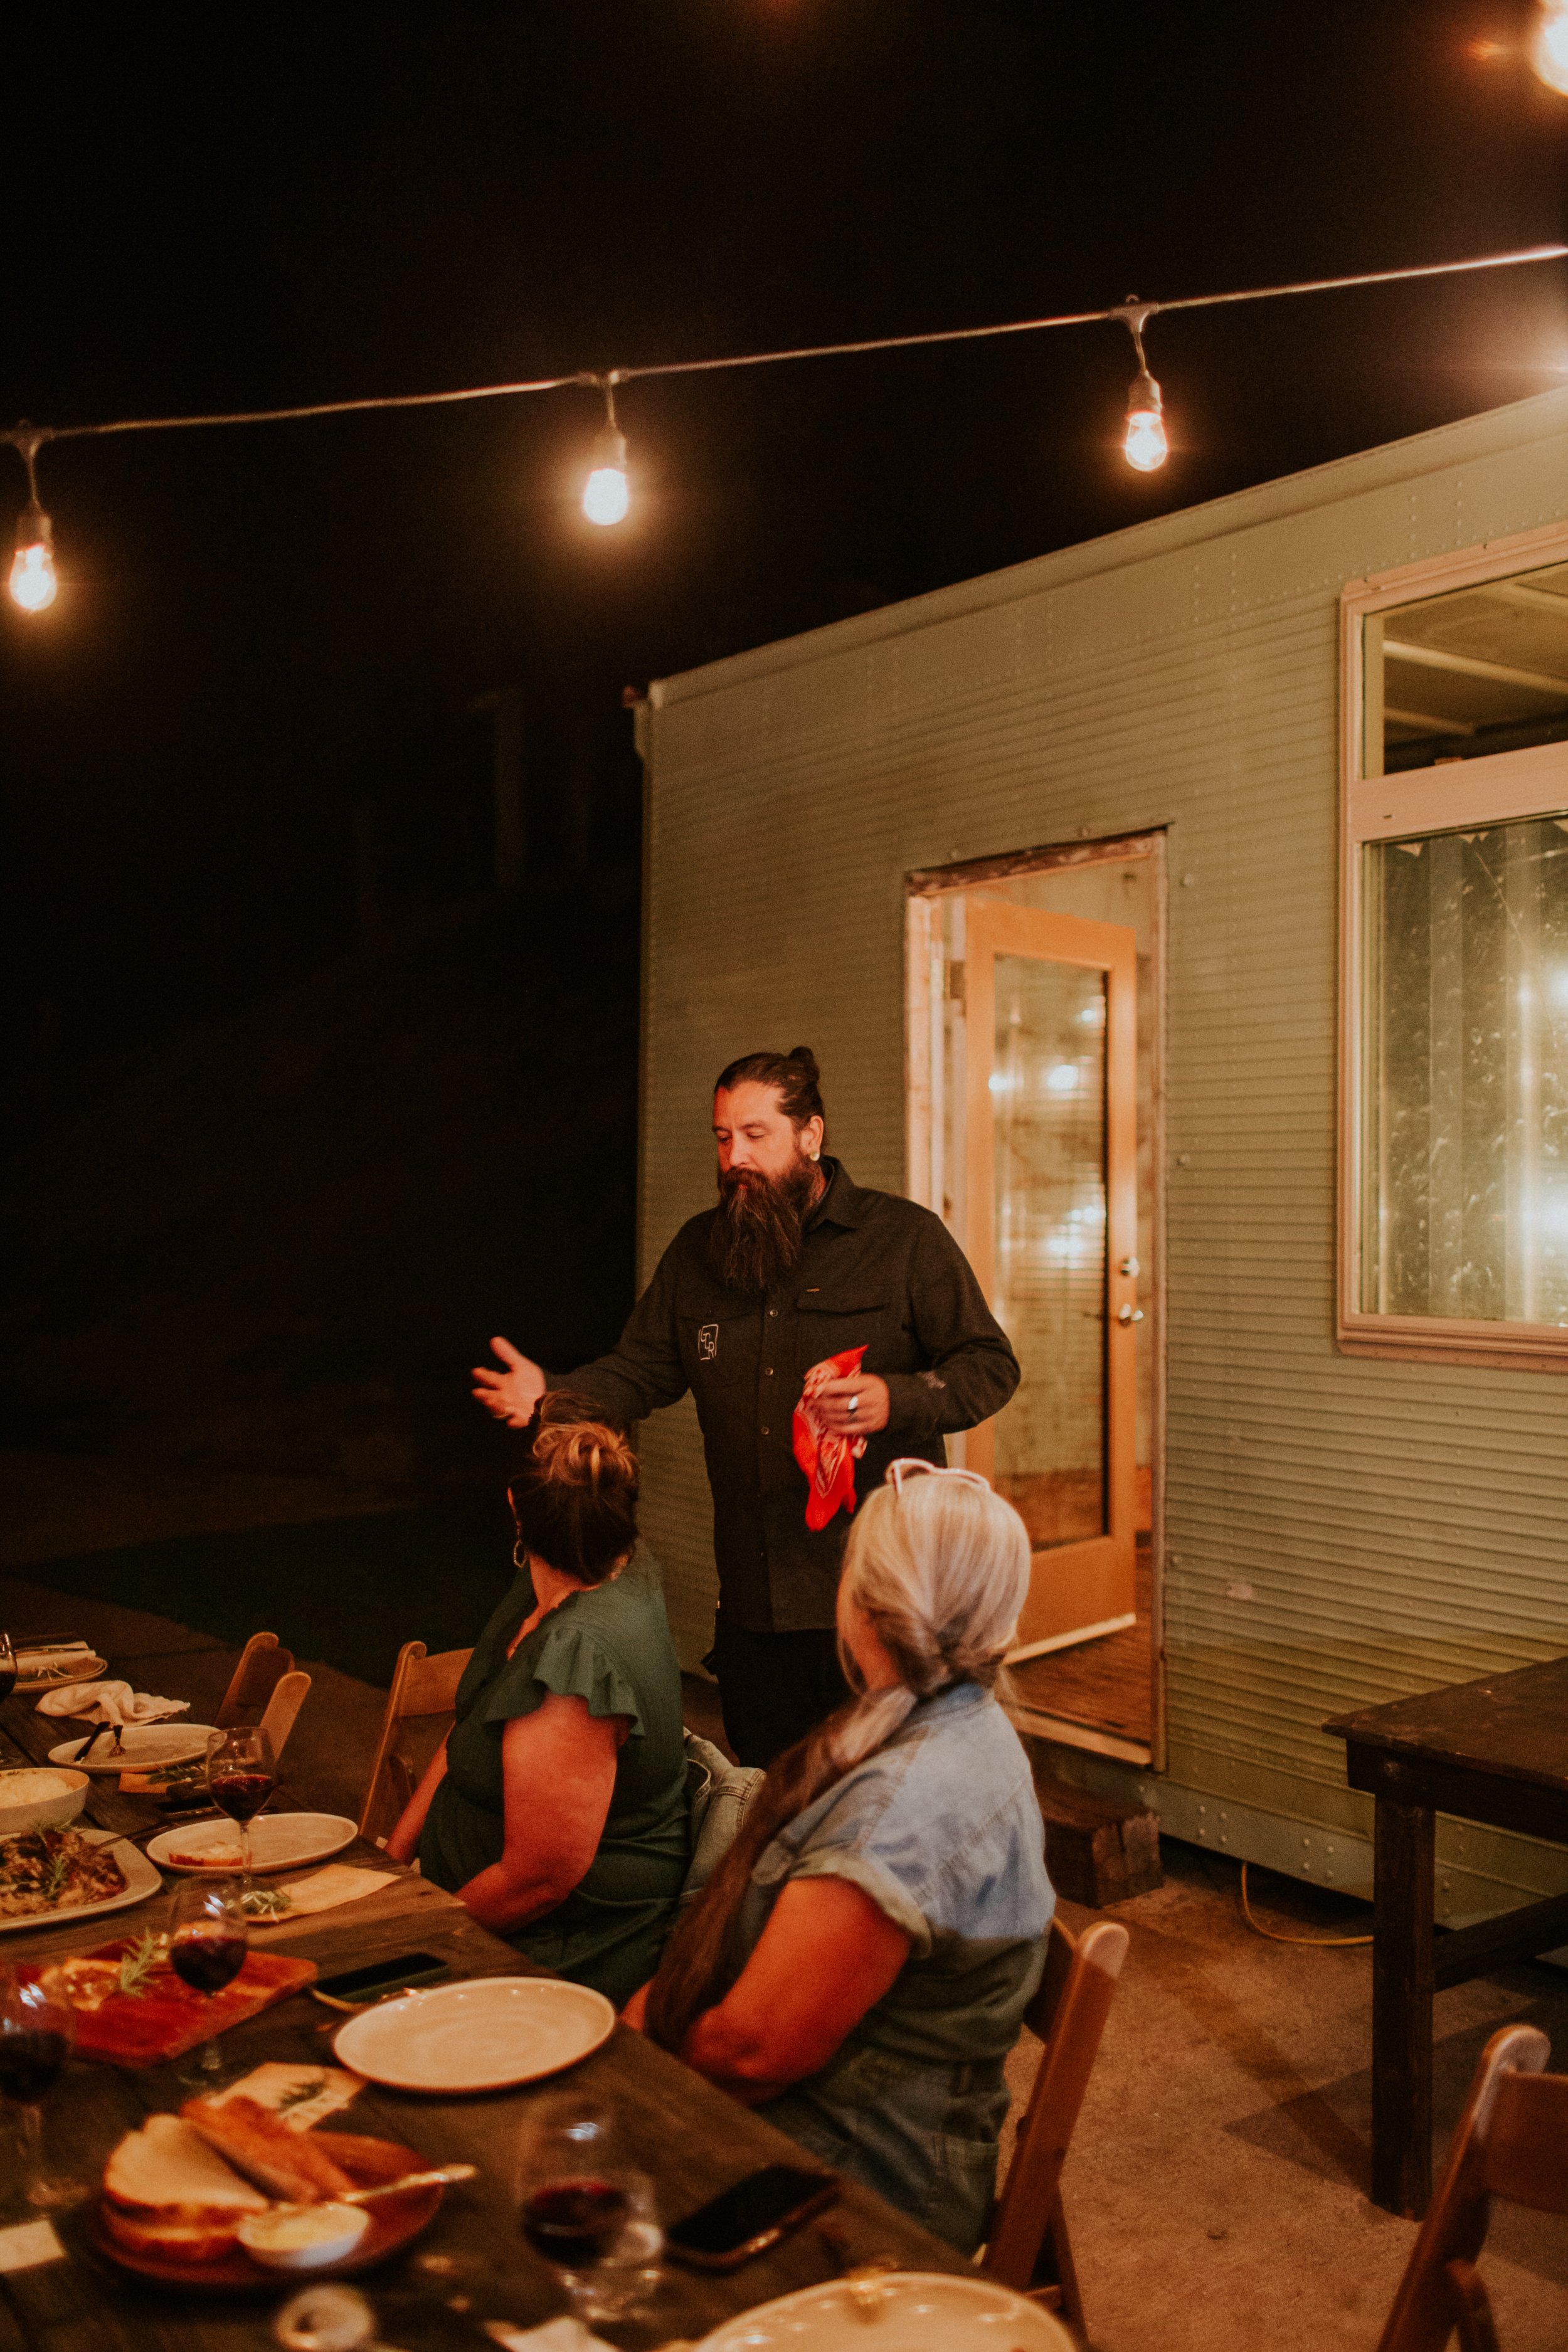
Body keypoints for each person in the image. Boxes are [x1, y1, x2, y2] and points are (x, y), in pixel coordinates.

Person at [473, 1046, 1020, 1765]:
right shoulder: (700, 1252)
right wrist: (552, 1395)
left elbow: (989, 1366)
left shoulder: (903, 1241)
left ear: (810, 1136)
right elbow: (641, 1370)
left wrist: (898, 1396)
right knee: (767, 1796)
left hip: (883, 1601)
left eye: (756, 1135)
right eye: (723, 1137)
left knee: (879, 1807)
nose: (735, 1156)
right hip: (756, 1607)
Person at [625, 1461, 1053, 2256]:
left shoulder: (902, 1815)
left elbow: (751, 2058)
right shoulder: (962, 1718)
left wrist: (630, 2074)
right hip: (873, 2143)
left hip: (859, 2193)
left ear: (866, 1607)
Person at [384, 1397, 688, 2007]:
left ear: (515, 1509)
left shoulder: (577, 1658)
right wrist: (392, 1862)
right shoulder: (599, 1569)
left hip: (555, 1951)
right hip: (464, 1912)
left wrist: (401, 1934)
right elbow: (473, 1726)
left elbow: (537, 1882)